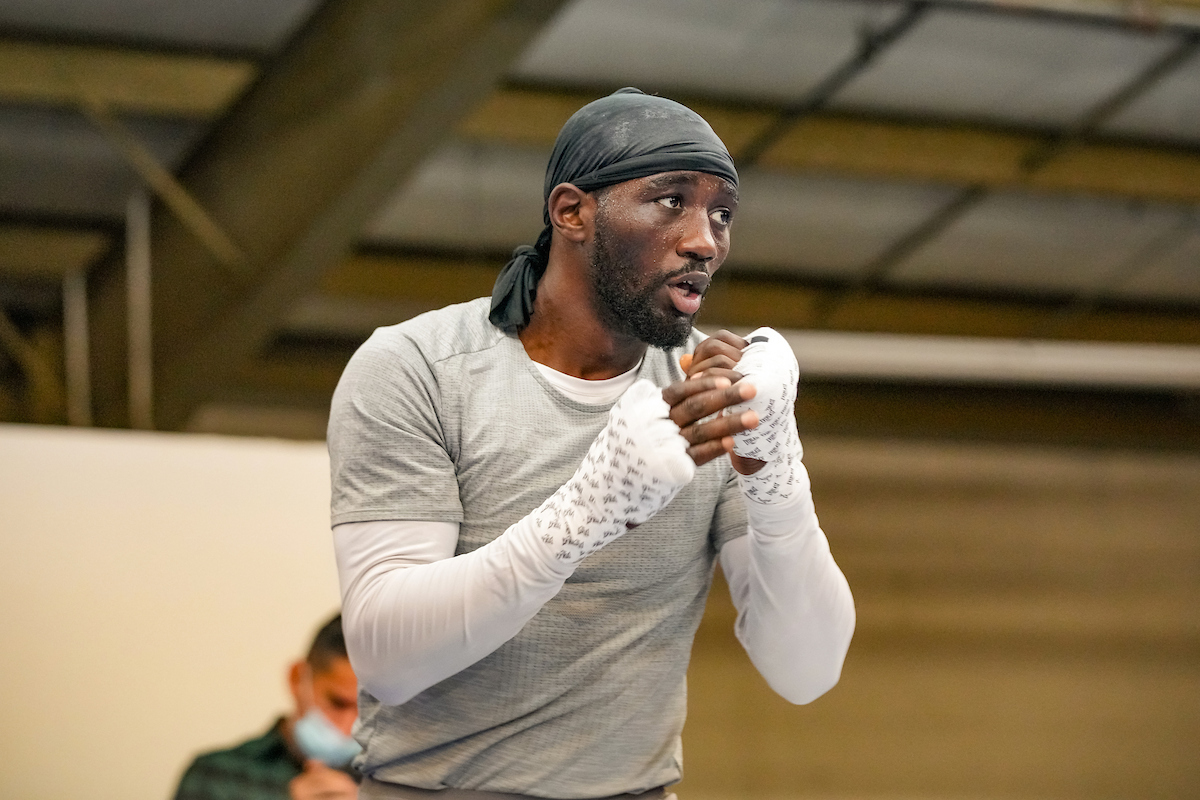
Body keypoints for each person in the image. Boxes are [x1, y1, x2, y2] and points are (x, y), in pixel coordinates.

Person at [327, 87, 856, 800]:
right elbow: (387, 658)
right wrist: (584, 514)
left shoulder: (712, 390)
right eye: (672, 200)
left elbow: (807, 672)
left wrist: (776, 470)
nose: (706, 239)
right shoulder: (418, 367)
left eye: (721, 213)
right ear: (571, 211)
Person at [172, 614, 360, 800]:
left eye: (367, 712)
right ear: (297, 679)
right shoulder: (215, 775)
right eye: (338, 703)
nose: (349, 725)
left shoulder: (384, 782)